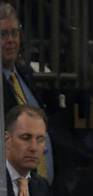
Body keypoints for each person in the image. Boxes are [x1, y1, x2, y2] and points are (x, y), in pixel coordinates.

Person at [0, 2, 53, 184]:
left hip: (40, 188)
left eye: (14, 33)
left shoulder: (24, 73)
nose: (10, 40)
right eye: (3, 34)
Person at [4, 104, 53, 196]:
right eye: (26, 138)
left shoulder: (42, 187)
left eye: (40, 139)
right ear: (7, 140)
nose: (34, 148)